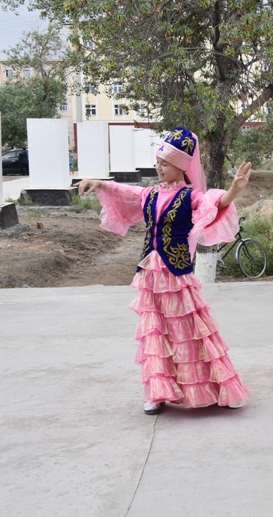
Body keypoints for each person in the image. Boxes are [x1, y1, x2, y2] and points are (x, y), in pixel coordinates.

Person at [74, 126, 251, 415]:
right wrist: (99, 183)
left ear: (180, 167)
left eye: (164, 163)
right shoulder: (150, 194)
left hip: (177, 274)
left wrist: (233, 191)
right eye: (157, 162)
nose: (159, 167)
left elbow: (214, 204)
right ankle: (157, 392)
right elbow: (125, 191)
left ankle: (216, 387)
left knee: (190, 330)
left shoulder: (191, 196)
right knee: (154, 333)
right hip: (150, 272)